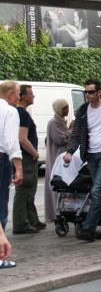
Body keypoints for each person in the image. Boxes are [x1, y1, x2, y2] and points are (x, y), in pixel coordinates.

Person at [63, 79, 101, 242]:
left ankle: (88, 228)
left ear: (99, 93)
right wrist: (70, 151)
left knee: (96, 191)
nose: (87, 95)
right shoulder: (82, 111)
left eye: (90, 92)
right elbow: (76, 133)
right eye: (85, 92)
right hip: (90, 155)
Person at [13, 85, 45, 234]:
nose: (33, 96)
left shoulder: (20, 113)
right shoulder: (22, 114)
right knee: (24, 190)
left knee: (30, 189)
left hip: (25, 156)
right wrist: (35, 153)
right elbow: (22, 138)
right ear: (23, 96)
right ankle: (21, 224)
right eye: (31, 94)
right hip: (26, 157)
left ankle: (32, 220)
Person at [0, 81, 23, 233]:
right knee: (1, 205)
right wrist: (19, 168)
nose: (19, 98)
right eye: (18, 94)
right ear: (11, 94)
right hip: (1, 160)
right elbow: (11, 141)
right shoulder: (9, 111)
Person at [44, 99, 70, 223]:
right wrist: (70, 132)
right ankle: (55, 212)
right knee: (57, 185)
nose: (67, 110)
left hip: (61, 157)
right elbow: (60, 139)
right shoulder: (54, 122)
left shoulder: (60, 122)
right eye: (65, 108)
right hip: (56, 157)